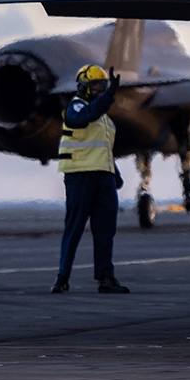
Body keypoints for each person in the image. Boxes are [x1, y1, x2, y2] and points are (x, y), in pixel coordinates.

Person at [53, 64, 130, 294]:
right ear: (83, 87)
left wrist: (114, 174)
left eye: (103, 85)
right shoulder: (76, 107)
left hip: (103, 177)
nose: (100, 90)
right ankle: (62, 277)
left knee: (106, 229)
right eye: (96, 85)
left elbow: (103, 148)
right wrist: (109, 95)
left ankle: (106, 277)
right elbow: (81, 118)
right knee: (75, 227)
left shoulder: (103, 117)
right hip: (80, 176)